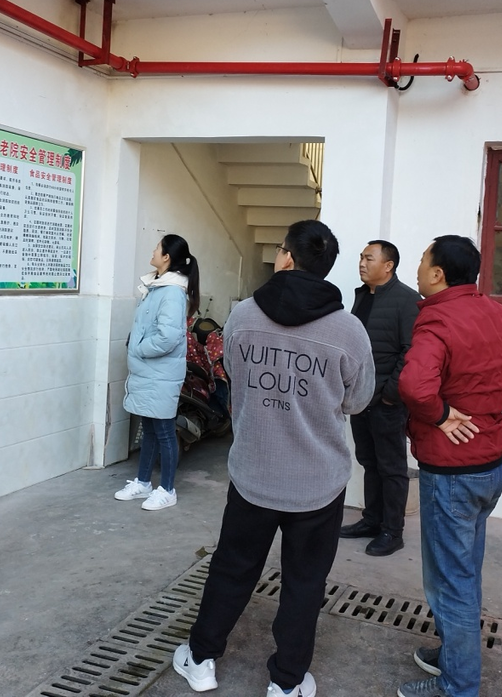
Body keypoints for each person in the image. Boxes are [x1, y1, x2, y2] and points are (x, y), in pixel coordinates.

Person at [173, 220, 374, 697]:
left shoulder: (244, 315)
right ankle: (286, 682)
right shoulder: (349, 330)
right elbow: (358, 400)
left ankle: (201, 659)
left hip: (254, 474)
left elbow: (233, 375)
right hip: (317, 484)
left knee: (232, 568)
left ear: (285, 257)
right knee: (305, 582)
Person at [395, 235, 502, 697]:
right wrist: (482, 397)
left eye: (422, 261)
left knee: (450, 582)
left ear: (438, 274)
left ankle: (458, 686)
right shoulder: (494, 311)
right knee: (464, 572)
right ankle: (456, 655)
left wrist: (442, 414)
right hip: (490, 465)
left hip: (453, 472)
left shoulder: (437, 318)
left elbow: (414, 386)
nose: (418, 268)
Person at [340, 240, 420, 557]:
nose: (362, 263)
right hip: (361, 398)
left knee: (392, 468)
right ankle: (372, 521)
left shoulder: (407, 300)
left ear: (388, 266)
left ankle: (392, 531)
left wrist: (389, 395)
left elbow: (411, 352)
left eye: (369, 258)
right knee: (369, 462)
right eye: (361, 257)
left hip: (387, 402)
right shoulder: (363, 296)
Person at [114, 234, 200, 511]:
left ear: (167, 257)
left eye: (157, 248)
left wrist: (138, 348)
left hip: (159, 373)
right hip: (150, 372)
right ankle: (143, 483)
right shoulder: (157, 286)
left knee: (163, 431)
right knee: (150, 429)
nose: (152, 251)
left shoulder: (172, 292)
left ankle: (168, 490)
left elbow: (167, 338)